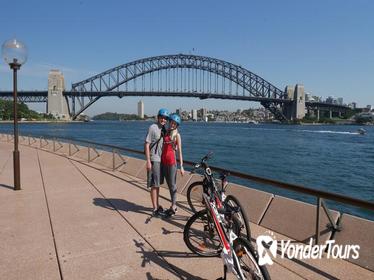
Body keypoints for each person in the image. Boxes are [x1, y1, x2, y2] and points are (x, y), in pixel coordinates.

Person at [145, 108, 169, 216]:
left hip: (161, 160)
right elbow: (146, 144)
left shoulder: (164, 129)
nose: (163, 120)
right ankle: (155, 208)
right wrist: (148, 161)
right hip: (154, 159)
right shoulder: (153, 127)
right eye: (162, 117)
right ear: (158, 117)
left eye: (165, 118)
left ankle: (157, 205)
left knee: (158, 184)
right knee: (154, 185)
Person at [161, 113, 184, 217]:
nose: (172, 125)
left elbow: (179, 151)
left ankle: (174, 206)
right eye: (172, 122)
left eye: (175, 124)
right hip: (163, 162)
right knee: (169, 185)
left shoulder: (177, 135)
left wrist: (181, 166)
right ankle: (172, 205)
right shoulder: (165, 132)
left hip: (171, 163)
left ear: (177, 125)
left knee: (173, 185)